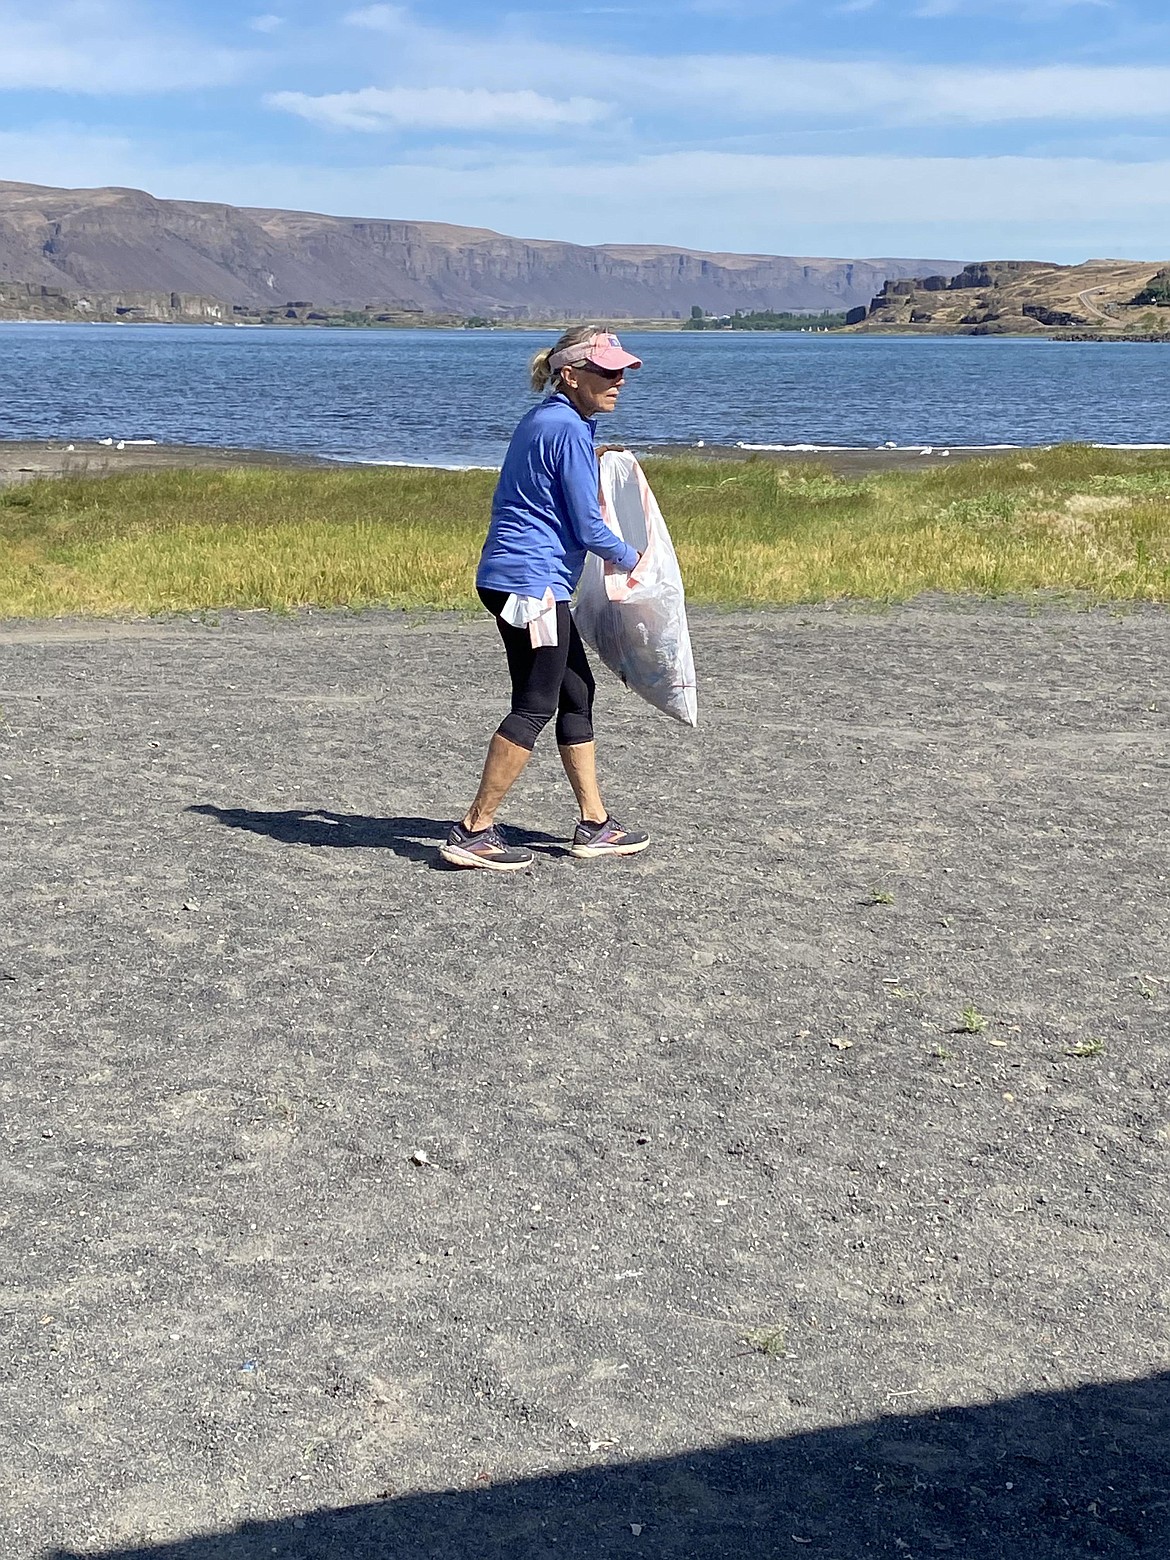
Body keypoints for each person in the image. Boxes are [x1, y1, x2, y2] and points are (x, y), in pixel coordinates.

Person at [440, 325, 653, 871]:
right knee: (536, 703)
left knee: (576, 690)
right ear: (571, 374)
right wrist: (641, 563)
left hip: (514, 578)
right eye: (607, 371)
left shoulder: (550, 421)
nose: (618, 381)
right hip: (531, 586)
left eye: (622, 371)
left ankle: (596, 824)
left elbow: (554, 471)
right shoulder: (566, 430)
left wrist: (593, 453)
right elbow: (588, 528)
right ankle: (473, 829)